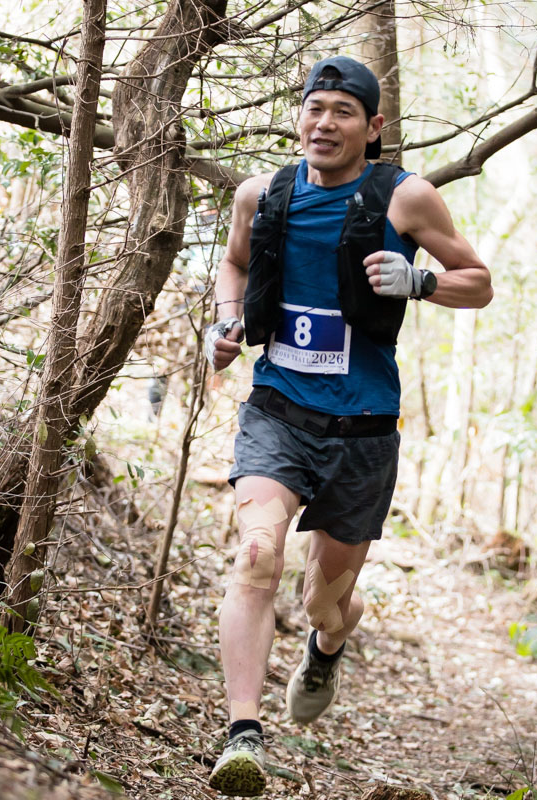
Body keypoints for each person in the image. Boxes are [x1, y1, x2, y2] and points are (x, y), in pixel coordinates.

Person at [203, 55, 493, 796]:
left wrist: (420, 280)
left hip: (362, 428)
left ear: (373, 126)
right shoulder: (262, 194)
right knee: (256, 555)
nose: (325, 123)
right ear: (298, 116)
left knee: (322, 603)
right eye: (315, 108)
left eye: (342, 111)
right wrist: (227, 323)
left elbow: (478, 282)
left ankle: (329, 643)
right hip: (278, 411)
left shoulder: (406, 197)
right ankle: (243, 736)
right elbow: (233, 267)